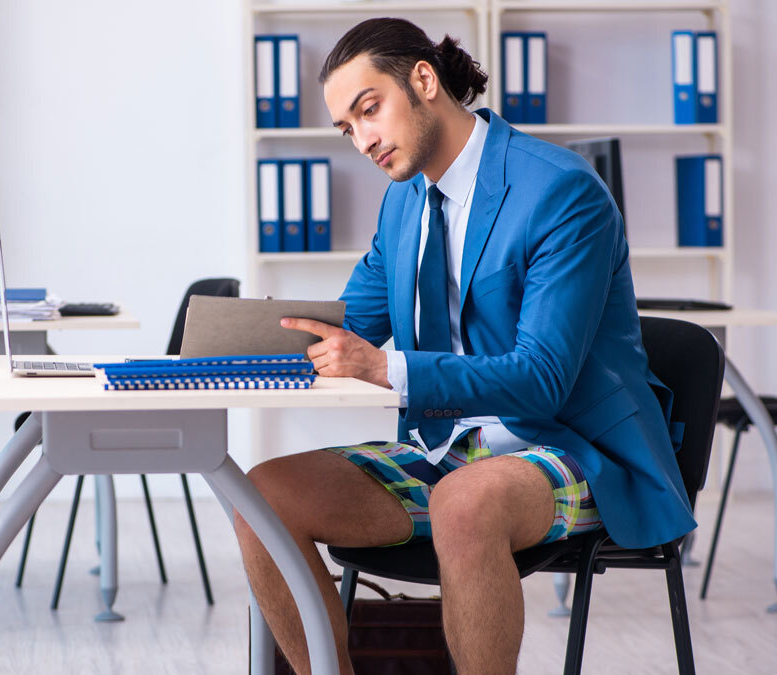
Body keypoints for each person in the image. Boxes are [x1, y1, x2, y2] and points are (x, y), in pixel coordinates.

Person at [235, 17, 695, 675]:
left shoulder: (560, 191)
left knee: (466, 500)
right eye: (347, 128)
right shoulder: (404, 204)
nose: (362, 140)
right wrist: (211, 353)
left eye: (369, 110)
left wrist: (383, 369)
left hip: (573, 447)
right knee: (263, 496)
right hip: (445, 450)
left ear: (424, 80)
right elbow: (344, 325)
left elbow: (541, 379)